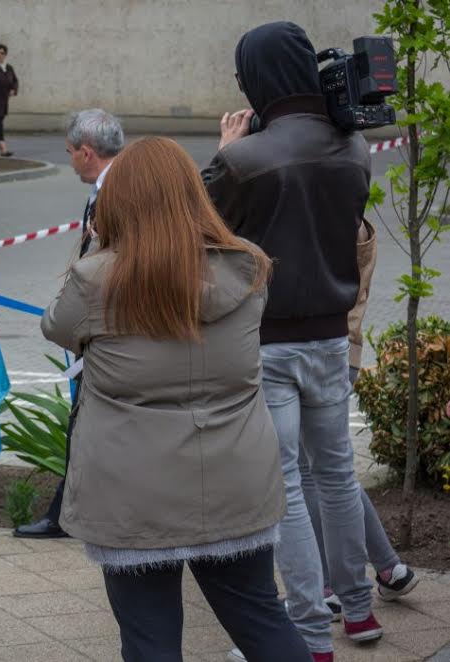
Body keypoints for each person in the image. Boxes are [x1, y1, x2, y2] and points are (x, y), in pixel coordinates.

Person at [43, 136, 311, 662]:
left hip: (132, 489)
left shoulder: (96, 278)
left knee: (150, 641)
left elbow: (56, 326)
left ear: (116, 204)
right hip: (234, 479)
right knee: (262, 620)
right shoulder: (248, 268)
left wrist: (97, 248)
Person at [202, 21, 380, 658]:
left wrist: (224, 150)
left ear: (258, 77)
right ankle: (358, 610)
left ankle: (307, 631)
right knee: (336, 475)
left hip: (269, 342)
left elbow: (200, 225)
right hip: (332, 336)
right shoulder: (355, 147)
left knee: (288, 487)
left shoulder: (244, 159)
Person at [300, 218, 419, 622]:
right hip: (343, 351)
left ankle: (327, 588)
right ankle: (389, 569)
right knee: (334, 472)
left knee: (311, 473)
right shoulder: (355, 219)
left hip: (316, 352)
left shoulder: (322, 217)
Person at [14, 108, 124, 539]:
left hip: (105, 331)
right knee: (85, 421)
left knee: (87, 422)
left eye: (69, 152)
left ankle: (68, 515)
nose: (70, 160)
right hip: (101, 326)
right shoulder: (112, 185)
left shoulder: (116, 192)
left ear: (86, 152)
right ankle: (70, 511)